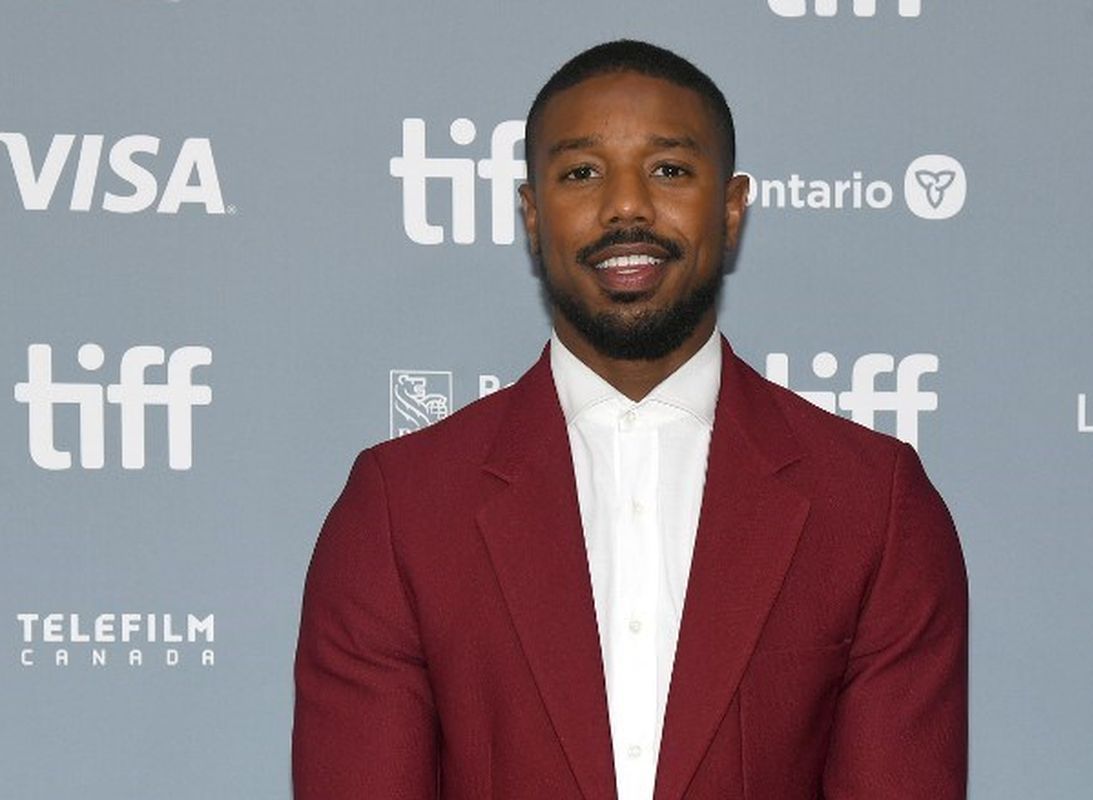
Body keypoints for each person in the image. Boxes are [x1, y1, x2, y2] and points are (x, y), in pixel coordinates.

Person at [293, 39, 967, 800]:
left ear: (733, 205)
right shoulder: (402, 508)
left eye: (670, 170)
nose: (626, 206)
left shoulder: (872, 503)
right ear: (532, 213)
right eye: (582, 173)